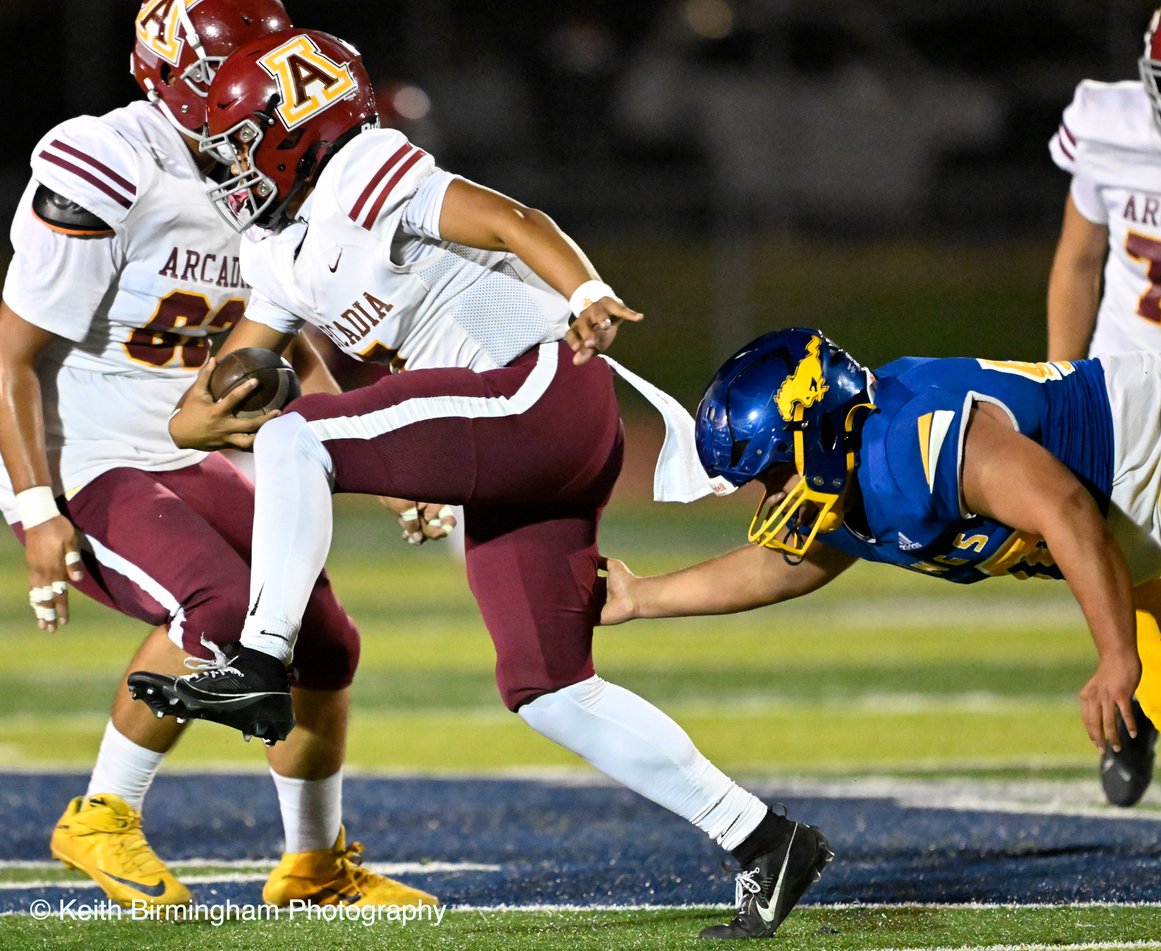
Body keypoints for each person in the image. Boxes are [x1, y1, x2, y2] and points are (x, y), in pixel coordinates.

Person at [128, 28, 833, 940]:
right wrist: (215, 415)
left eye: (238, 143)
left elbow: (511, 221)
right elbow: (208, 399)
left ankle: (260, 663)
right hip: (511, 430)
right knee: (547, 683)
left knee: (303, 433)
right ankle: (763, 837)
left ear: (290, 130)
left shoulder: (363, 168)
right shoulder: (273, 248)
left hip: (538, 383)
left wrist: (583, 293)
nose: (227, 167)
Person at [0, 0, 433, 910]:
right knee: (226, 610)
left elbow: (281, 336)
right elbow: (11, 356)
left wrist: (388, 468)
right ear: (168, 78)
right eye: (227, 70)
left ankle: (314, 866)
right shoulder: (109, 160)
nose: (250, 91)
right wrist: (35, 507)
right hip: (86, 455)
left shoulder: (259, 161)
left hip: (180, 449)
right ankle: (102, 814)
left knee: (321, 637)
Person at [599, 328, 1161, 795]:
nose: (773, 496)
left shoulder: (910, 442)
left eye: (774, 474)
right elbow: (775, 567)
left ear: (820, 431)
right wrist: (639, 596)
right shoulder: (852, 483)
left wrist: (1117, 654)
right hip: (1142, 545)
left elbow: (1065, 508)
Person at [1045, 0, 1161, 805]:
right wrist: (1059, 390)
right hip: (1126, 400)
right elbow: (1078, 262)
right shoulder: (1109, 122)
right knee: (1138, 575)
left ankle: (1143, 699)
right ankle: (1138, 700)